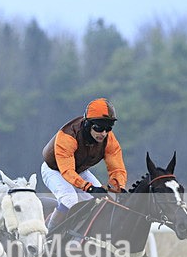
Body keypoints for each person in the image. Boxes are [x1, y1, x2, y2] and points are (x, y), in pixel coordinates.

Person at [41, 98, 127, 230]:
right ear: (87, 124)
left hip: (79, 171)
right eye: (99, 128)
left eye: (108, 128)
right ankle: (48, 234)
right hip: (54, 169)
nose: (103, 133)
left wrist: (118, 187)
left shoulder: (109, 139)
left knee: (103, 202)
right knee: (69, 201)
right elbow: (67, 172)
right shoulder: (67, 135)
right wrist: (90, 188)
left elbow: (117, 169)